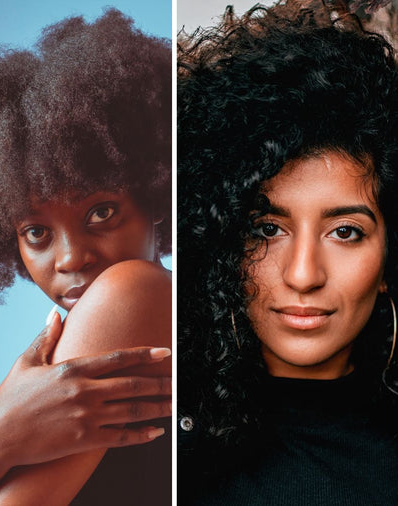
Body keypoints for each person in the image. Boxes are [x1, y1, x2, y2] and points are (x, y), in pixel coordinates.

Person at [178, 2, 398, 504]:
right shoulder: (155, 439)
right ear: (218, 242)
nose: (303, 275)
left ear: (390, 258)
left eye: (345, 232)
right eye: (266, 228)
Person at [0, 10, 172, 505]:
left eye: (101, 212)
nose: (71, 258)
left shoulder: (133, 291)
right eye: (36, 232)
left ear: (154, 198)